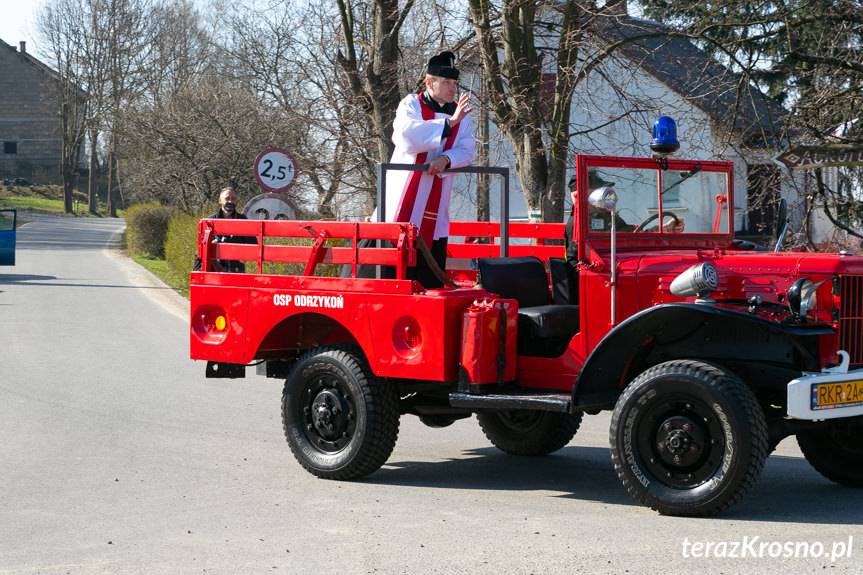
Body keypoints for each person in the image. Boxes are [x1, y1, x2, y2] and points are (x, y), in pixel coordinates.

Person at [384, 50, 476, 288]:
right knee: (392, 274)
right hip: (402, 200)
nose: (452, 88)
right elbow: (406, 137)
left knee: (430, 280)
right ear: (429, 82)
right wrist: (449, 124)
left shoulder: (460, 113)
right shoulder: (411, 104)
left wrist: (446, 159)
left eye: (454, 83)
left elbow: (467, 150)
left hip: (437, 201)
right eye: (446, 82)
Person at [193, 186, 256, 273]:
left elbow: (253, 245)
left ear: (237, 201)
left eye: (233, 199)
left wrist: (241, 252)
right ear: (220, 201)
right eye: (227, 198)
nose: (230, 201)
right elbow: (201, 249)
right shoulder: (209, 221)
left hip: (235, 269)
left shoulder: (243, 221)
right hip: (213, 269)